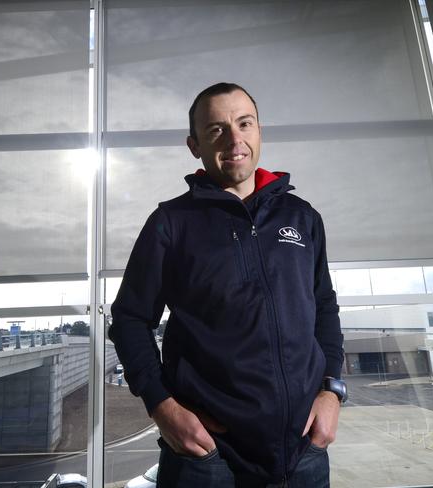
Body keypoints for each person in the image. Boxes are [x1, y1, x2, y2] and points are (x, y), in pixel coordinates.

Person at [108, 82, 346, 487]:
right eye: (217, 129)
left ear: (259, 131)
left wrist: (331, 392)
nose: (235, 139)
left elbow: (323, 307)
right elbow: (130, 318)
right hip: (208, 456)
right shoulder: (171, 223)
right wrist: (162, 406)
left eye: (244, 123)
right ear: (194, 145)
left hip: (302, 449)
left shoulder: (303, 218)